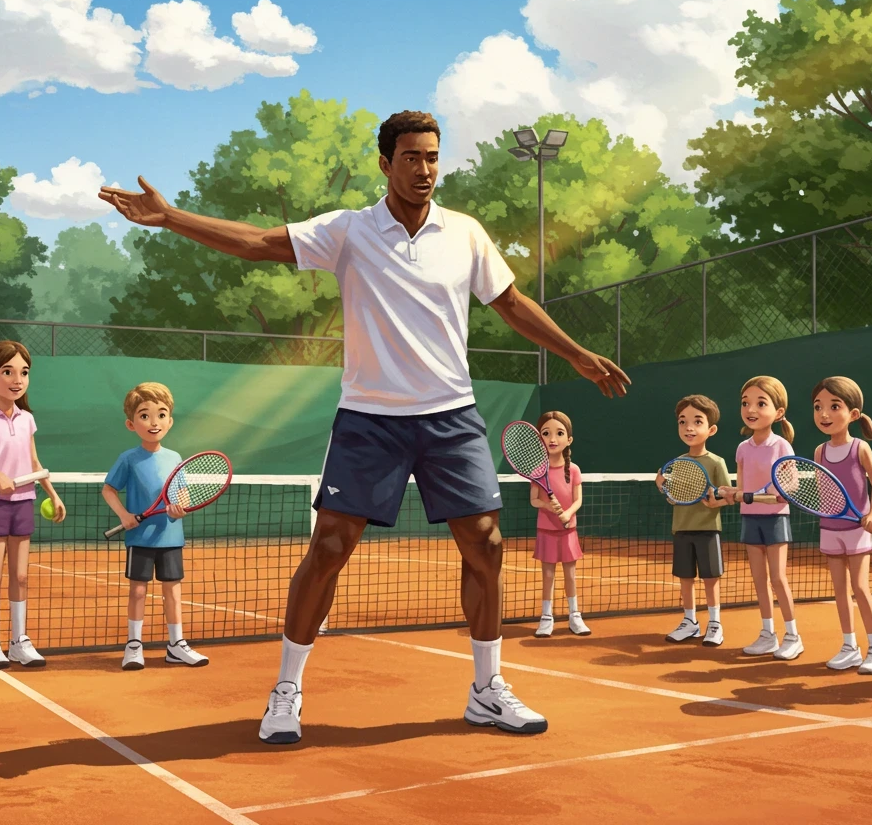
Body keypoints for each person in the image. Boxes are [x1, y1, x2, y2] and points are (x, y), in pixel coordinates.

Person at [101, 110, 630, 745]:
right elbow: (256, 241)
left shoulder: (465, 234)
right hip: (370, 419)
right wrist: (172, 217)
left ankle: (487, 690)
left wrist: (575, 353)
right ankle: (286, 691)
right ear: (386, 163)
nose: (425, 169)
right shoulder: (348, 231)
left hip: (451, 416)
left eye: (433, 156)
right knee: (328, 550)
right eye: (411, 157)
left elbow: (512, 304)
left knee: (487, 544)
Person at [0, 340, 66, 670]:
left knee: (20, 576)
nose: (17, 379)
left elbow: (34, 460)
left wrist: (51, 492)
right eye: (8, 372)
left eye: (24, 372)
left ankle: (19, 641)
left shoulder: (26, 419)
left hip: (25, 501)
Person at [102, 382, 208, 670]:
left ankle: (176, 645)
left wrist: (180, 508)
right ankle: (134, 645)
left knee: (172, 591)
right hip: (140, 537)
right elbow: (108, 490)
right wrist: (124, 515)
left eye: (161, 415)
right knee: (138, 590)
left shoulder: (174, 458)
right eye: (145, 415)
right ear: (131, 423)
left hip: (171, 536)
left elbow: (182, 492)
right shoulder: (129, 458)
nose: (154, 422)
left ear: (170, 421)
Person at [718, 376, 801, 660]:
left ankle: (792, 636)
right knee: (758, 579)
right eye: (746, 403)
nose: (751, 409)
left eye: (760, 403)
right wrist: (730, 493)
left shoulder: (782, 446)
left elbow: (791, 486)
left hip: (775, 518)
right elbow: (742, 489)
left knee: (777, 577)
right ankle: (768, 634)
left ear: (778, 413)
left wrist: (768, 492)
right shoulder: (742, 449)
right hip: (749, 517)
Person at [810, 377, 872, 675]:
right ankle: (849, 647)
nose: (824, 414)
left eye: (833, 406)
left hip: (857, 529)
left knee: (860, 587)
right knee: (840, 590)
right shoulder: (819, 452)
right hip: (830, 528)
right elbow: (823, 490)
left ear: (853, 414)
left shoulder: (860, 449)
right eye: (818, 407)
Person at [656, 394, 730, 647]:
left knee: (710, 579)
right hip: (681, 530)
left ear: (711, 429)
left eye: (697, 422)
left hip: (708, 530)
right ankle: (689, 622)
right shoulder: (678, 463)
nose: (689, 427)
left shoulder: (716, 462)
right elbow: (675, 498)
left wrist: (715, 501)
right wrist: (663, 488)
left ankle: (715, 623)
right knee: (685, 578)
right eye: (682, 421)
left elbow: (728, 496)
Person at [528, 411, 589, 638]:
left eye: (559, 433)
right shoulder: (537, 471)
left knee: (570, 575)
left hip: (568, 530)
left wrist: (567, 514)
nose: (552, 439)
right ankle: (546, 617)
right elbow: (534, 500)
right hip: (546, 530)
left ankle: (575, 616)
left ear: (569, 440)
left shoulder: (573, 470)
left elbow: (578, 500)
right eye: (546, 433)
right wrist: (547, 505)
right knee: (548, 575)